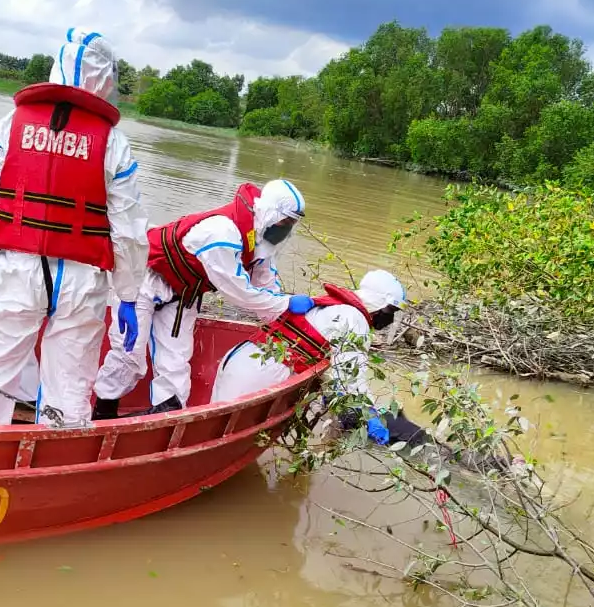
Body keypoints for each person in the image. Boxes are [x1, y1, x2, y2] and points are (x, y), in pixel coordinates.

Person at [0, 27, 148, 427]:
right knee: (70, 388)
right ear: (106, 79)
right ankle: (57, 464)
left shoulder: (12, 123)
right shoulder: (112, 140)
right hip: (81, 278)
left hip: (15, 269)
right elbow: (127, 231)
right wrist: (127, 294)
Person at [92, 179, 312, 418]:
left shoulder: (261, 240)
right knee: (129, 356)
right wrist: (286, 303)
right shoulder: (221, 233)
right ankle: (103, 415)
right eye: (285, 221)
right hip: (143, 280)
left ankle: (164, 419)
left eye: (291, 224)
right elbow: (239, 291)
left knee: (176, 366)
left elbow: (266, 283)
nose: (286, 229)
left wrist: (288, 313)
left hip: (184, 293)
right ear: (270, 212)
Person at [211, 268, 410, 444]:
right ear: (379, 303)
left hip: (241, 358)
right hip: (259, 373)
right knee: (223, 438)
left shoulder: (332, 306)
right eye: (390, 310)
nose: (390, 318)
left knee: (215, 426)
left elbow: (330, 366)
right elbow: (350, 377)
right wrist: (369, 416)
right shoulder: (354, 319)